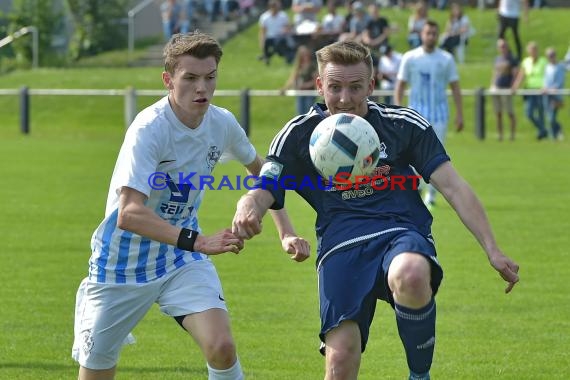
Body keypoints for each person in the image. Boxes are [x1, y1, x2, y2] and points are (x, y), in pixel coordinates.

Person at [231, 40, 519, 380]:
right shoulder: (298, 135)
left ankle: (419, 375)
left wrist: (492, 249)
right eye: (335, 87)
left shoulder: (402, 124)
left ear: (371, 85)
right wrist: (248, 204)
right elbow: (267, 186)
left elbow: (453, 186)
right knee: (340, 365)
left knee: (411, 273)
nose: (345, 99)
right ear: (319, 85)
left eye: (355, 88)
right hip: (341, 245)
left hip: (399, 231)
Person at [71, 32, 310, 380]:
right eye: (191, 78)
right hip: (121, 265)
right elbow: (129, 213)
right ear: (168, 80)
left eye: (210, 77)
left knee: (222, 347)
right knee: (96, 371)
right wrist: (199, 241)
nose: (203, 88)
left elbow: (264, 173)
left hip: (180, 260)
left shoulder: (221, 123)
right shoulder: (148, 130)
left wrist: (286, 232)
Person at [394, 20, 464, 209]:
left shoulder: (446, 59)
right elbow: (400, 85)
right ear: (421, 34)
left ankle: (431, 195)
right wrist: (399, 111)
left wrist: (460, 113)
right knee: (410, 155)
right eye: (428, 33)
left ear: (438, 35)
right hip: (416, 115)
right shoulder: (410, 57)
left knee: (436, 157)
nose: (431, 36)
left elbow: (455, 86)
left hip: (439, 114)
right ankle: (414, 189)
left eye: (434, 33)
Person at [512, 40, 548, 140]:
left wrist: (545, 86)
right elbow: (521, 75)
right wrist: (516, 86)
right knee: (529, 113)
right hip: (529, 90)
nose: (533, 52)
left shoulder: (543, 61)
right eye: (531, 50)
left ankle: (542, 134)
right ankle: (543, 129)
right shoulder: (526, 61)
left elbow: (546, 75)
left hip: (540, 90)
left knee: (541, 112)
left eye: (535, 50)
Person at [490, 38, 519, 141]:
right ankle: (500, 135)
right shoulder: (498, 59)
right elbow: (495, 73)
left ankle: (512, 135)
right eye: (500, 46)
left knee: (510, 112)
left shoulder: (512, 58)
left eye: (504, 46)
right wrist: (492, 84)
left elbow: (516, 73)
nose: (502, 48)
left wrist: (514, 86)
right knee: (498, 113)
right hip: (497, 88)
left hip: (507, 88)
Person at [282, 45, 319, 115]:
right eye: (303, 55)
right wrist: (285, 88)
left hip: (309, 94)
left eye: (306, 54)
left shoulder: (313, 66)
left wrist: (304, 85)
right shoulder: (299, 67)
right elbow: (292, 79)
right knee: (300, 114)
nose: (305, 56)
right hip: (300, 93)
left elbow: (316, 81)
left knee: (308, 114)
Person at [258, 0, 295, 65]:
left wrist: (286, 30)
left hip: (280, 36)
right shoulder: (264, 17)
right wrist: (262, 42)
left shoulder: (283, 16)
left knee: (279, 42)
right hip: (269, 38)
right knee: (268, 42)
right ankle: (267, 56)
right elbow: (263, 31)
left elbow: (288, 27)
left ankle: (267, 56)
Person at [543, 47, 566, 140]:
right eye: (549, 56)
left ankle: (556, 131)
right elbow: (545, 79)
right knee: (548, 116)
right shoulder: (547, 67)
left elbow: (560, 81)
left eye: (552, 55)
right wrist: (544, 87)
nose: (551, 57)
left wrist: (553, 88)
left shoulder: (559, 67)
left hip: (555, 95)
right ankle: (554, 134)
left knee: (552, 116)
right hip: (547, 94)